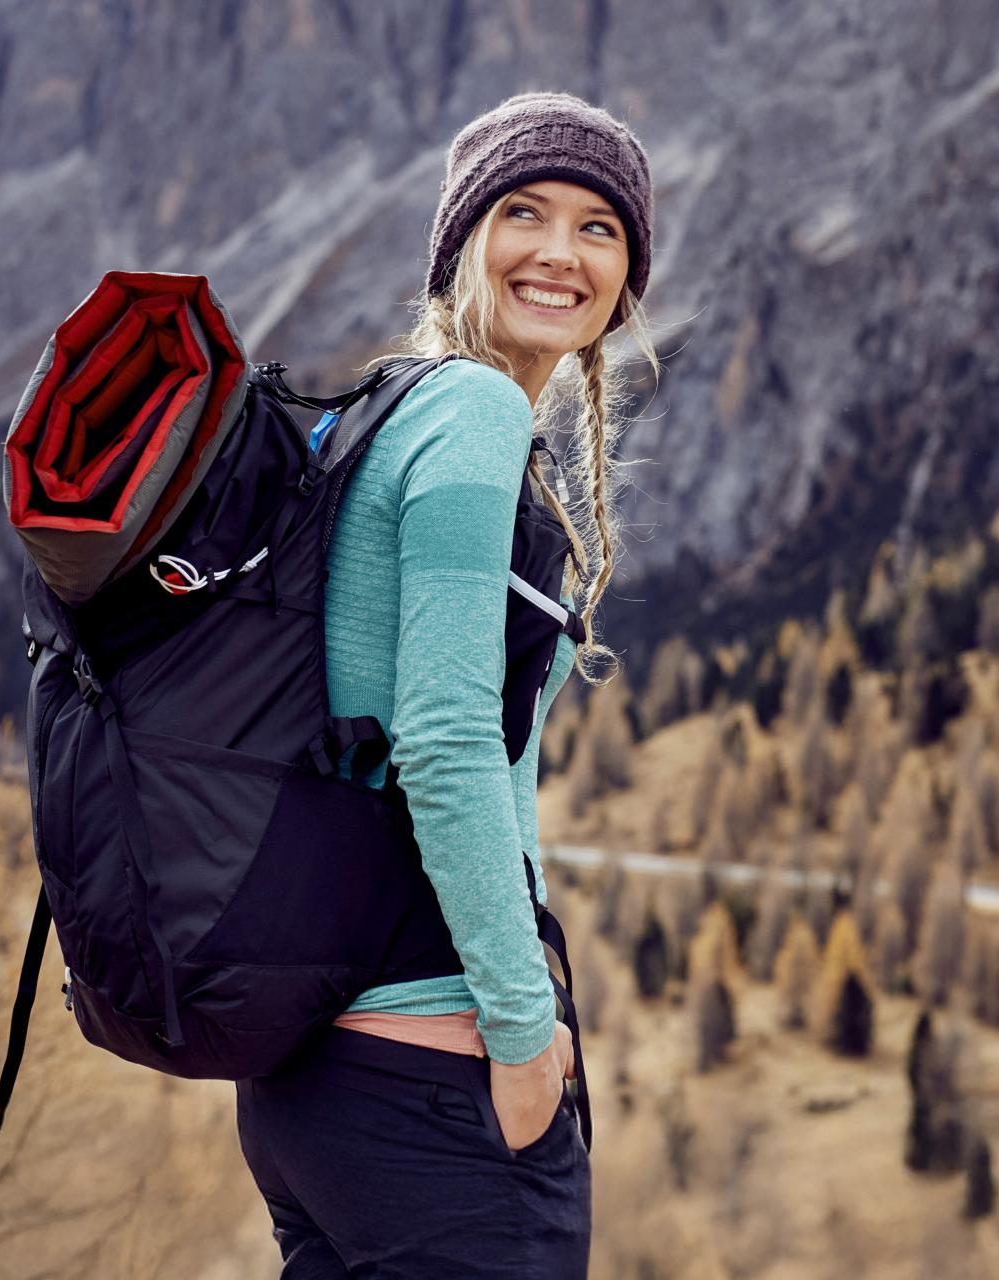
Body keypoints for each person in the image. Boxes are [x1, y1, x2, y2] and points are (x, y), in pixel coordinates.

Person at [231, 90, 660, 1278]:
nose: (560, 253)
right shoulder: (469, 412)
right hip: (435, 1069)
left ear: (626, 275)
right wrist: (527, 1037)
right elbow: (446, 737)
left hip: (315, 1082)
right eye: (524, 211)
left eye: (598, 228)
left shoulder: (382, 415)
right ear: (462, 235)